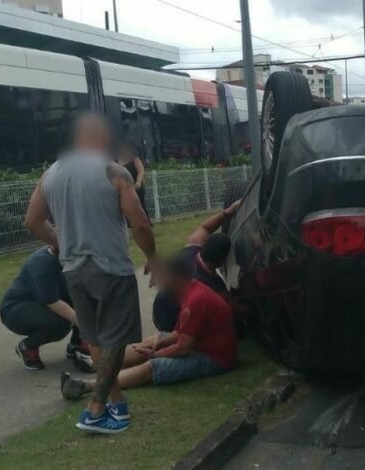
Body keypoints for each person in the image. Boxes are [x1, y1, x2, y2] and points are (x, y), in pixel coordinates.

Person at [24, 113, 158, 434]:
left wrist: (61, 242)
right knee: (114, 340)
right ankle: (98, 407)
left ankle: (117, 405)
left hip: (74, 270)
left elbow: (32, 221)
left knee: (96, 339)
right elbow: (139, 222)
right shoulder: (112, 171)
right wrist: (153, 256)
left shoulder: (51, 174)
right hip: (111, 267)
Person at [60, 254, 236, 399]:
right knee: (154, 339)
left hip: (215, 358)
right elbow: (180, 333)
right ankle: (97, 364)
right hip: (198, 345)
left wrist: (154, 354)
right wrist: (158, 345)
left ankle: (85, 386)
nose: (159, 281)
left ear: (176, 277)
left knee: (152, 366)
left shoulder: (195, 300)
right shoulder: (190, 290)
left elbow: (183, 348)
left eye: (164, 276)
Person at [152, 199, 242, 332]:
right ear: (221, 262)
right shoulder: (214, 286)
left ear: (204, 245)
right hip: (174, 326)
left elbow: (205, 228)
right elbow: (239, 309)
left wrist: (228, 212)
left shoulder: (191, 250)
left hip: (158, 309)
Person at [0, 246, 93, 372]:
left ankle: (77, 344)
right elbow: (52, 302)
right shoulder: (42, 263)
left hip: (43, 303)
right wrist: (85, 324)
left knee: (85, 299)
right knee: (60, 324)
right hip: (16, 308)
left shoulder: (73, 260)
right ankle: (27, 347)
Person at [117, 143, 149, 220]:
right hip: (123, 189)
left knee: (139, 206)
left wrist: (138, 182)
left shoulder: (134, 159)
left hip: (135, 187)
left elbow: (141, 170)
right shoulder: (116, 161)